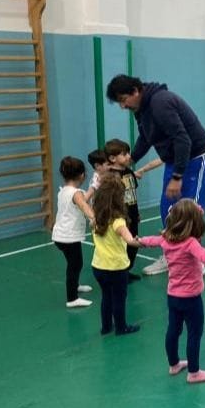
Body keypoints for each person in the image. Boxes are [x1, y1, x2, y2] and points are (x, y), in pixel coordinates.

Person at [106, 74, 205, 276]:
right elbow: (146, 136)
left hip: (196, 154)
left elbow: (183, 139)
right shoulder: (141, 108)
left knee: (191, 209)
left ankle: (194, 258)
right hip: (175, 157)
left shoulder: (160, 103)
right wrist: (132, 159)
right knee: (168, 207)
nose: (123, 106)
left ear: (135, 91)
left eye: (123, 100)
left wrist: (177, 176)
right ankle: (170, 252)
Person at [139, 199, 205, 384]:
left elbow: (149, 241)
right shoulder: (190, 244)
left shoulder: (165, 240)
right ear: (193, 223)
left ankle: (173, 365)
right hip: (191, 299)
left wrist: (137, 241)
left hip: (173, 297)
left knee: (173, 330)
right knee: (194, 333)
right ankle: (194, 373)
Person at [90, 173, 142, 335]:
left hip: (98, 266)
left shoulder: (96, 219)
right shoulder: (118, 221)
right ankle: (121, 327)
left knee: (106, 297)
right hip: (117, 267)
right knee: (119, 298)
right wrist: (145, 241)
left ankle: (106, 327)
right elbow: (131, 240)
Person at [51, 156, 96, 308]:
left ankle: (75, 285)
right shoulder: (76, 193)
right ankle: (72, 299)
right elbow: (83, 204)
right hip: (68, 237)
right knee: (75, 265)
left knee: (74, 263)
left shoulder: (65, 190)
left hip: (61, 235)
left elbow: (82, 199)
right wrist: (93, 217)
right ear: (82, 175)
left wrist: (93, 188)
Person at [103, 139, 142, 281]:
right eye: (124, 154)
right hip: (119, 218)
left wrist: (136, 212)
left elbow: (133, 193)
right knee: (121, 245)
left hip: (131, 215)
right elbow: (108, 199)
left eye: (128, 154)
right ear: (112, 158)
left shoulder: (128, 172)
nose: (128, 157)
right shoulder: (110, 177)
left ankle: (126, 270)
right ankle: (118, 273)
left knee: (133, 245)